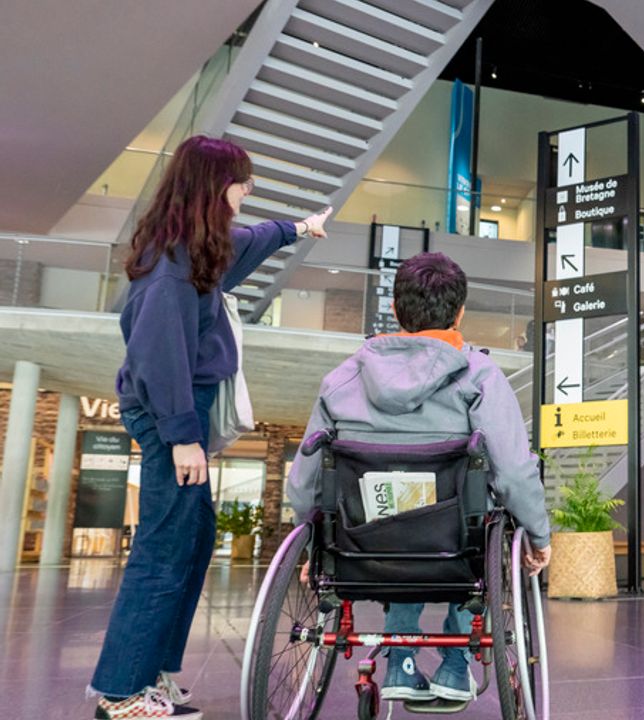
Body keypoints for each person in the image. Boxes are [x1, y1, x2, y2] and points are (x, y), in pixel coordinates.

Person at [90, 135, 332, 720]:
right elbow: (158, 355)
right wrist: (181, 436)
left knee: (193, 541)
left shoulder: (193, 253)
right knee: (163, 550)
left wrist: (298, 229)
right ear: (215, 186)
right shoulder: (171, 267)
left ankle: (152, 674)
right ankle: (121, 693)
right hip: (172, 415)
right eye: (242, 181)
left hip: (180, 412)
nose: (247, 191)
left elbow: (247, 243)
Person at [287, 252, 552, 704]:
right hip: (456, 548)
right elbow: (512, 468)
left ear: (395, 310)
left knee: (396, 520)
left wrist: (309, 540)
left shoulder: (342, 378)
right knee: (470, 516)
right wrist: (539, 535)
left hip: (360, 547)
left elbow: (305, 478)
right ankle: (455, 666)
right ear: (460, 312)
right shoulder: (480, 375)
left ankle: (400, 663)